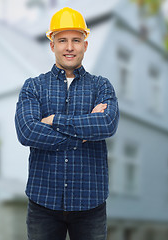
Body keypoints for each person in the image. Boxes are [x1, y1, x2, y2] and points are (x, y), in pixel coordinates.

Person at [15, 7, 119, 240]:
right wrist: (83, 133)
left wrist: (53, 121)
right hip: (43, 204)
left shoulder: (102, 86)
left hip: (90, 204)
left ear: (85, 44)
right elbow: (27, 131)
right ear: (52, 45)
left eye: (76, 40)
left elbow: (107, 124)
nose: (69, 47)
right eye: (62, 40)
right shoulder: (33, 87)